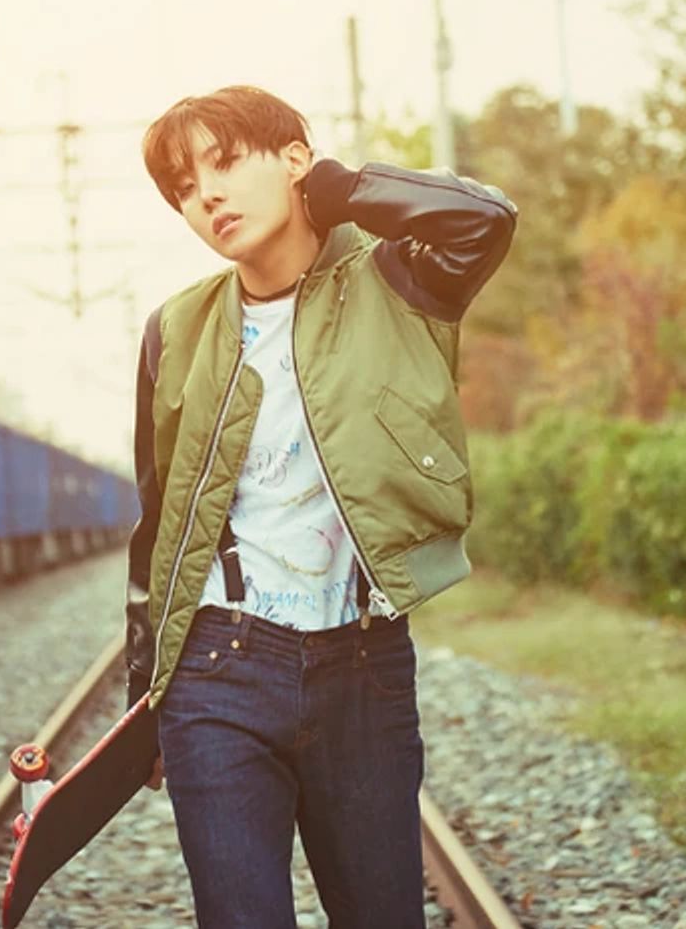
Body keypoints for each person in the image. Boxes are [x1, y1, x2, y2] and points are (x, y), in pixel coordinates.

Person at [124, 85, 517, 929]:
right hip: (217, 671)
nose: (209, 196)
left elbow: (484, 218)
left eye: (226, 164)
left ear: (295, 156)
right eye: (186, 187)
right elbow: (157, 523)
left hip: (363, 671)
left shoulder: (401, 280)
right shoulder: (176, 330)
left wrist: (338, 189)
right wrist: (143, 694)